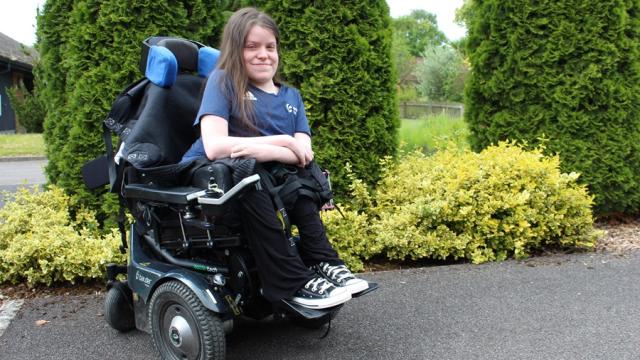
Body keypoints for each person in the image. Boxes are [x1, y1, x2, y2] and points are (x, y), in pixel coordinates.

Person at [181, 7, 368, 309]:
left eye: (270, 47)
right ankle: (292, 281)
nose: (263, 54)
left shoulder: (291, 96)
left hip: (269, 181)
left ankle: (323, 261)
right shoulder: (223, 81)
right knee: (251, 172)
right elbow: (215, 146)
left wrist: (280, 150)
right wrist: (284, 142)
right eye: (251, 47)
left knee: (303, 177)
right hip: (215, 182)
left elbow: (305, 154)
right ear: (235, 50)